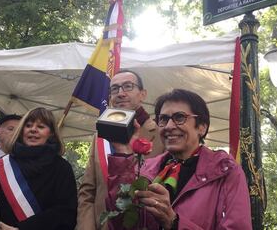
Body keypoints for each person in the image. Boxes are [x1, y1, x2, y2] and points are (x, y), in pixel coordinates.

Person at [106, 88, 252, 230]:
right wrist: (122, 152)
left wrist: (174, 223)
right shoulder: (146, 169)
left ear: (201, 127)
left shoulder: (224, 171)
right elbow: (120, 224)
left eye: (179, 117)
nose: (169, 126)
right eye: (163, 119)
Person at [77, 70, 164, 230]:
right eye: (115, 89)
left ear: (142, 94)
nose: (120, 93)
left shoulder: (160, 134)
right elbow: (88, 192)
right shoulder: (100, 136)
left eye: (128, 86)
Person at [0, 107, 77, 230]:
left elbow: (65, 212)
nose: (33, 130)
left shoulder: (62, 168)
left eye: (40, 127)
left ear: (50, 133)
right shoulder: (3, 164)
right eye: (28, 125)